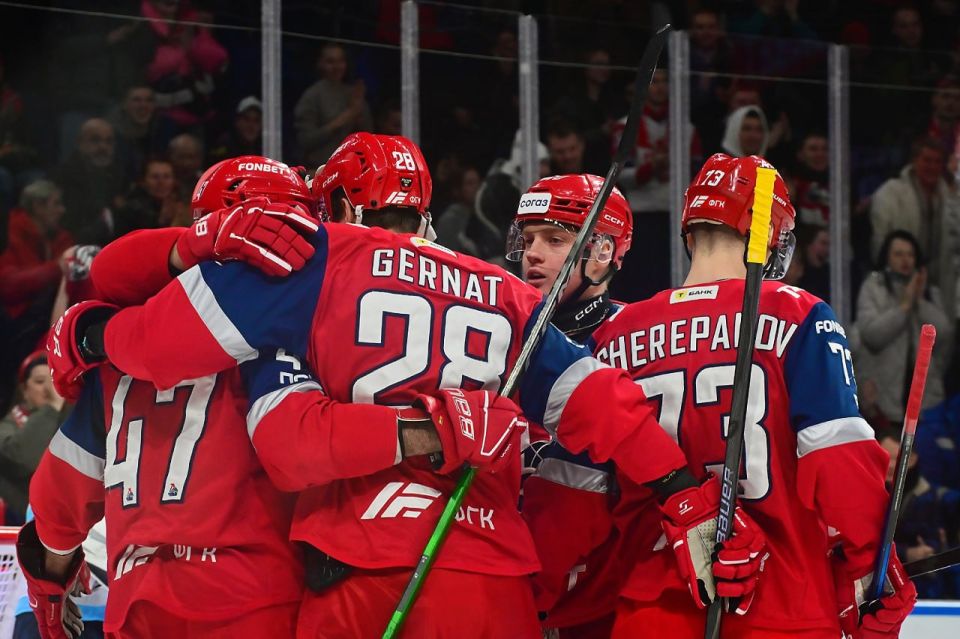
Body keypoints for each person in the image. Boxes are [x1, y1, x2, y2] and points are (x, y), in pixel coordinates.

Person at [49, 134, 763, 638]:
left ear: (337, 209)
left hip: (359, 574)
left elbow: (170, 357)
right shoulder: (504, 290)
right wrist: (684, 494)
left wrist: (88, 337)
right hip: (496, 578)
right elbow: (603, 403)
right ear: (424, 213)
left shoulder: (313, 260)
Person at [588, 153, 916, 638]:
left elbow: (586, 497)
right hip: (780, 604)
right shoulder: (798, 314)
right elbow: (839, 462)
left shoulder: (614, 333)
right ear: (768, 236)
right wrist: (874, 563)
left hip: (649, 608)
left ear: (689, 234)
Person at [16, 157, 342, 638]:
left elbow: (60, 492)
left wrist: (48, 584)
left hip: (138, 598)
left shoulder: (125, 343)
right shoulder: (296, 334)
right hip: (252, 593)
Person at [508, 174, 634, 637]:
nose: (533, 254)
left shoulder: (637, 337)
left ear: (602, 252)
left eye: (555, 240)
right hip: (509, 588)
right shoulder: (498, 330)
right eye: (528, 240)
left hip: (599, 604)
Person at [854, 230, 953, 425]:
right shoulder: (874, 287)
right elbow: (872, 335)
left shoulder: (930, 292)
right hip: (884, 402)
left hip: (926, 403)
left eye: (910, 254)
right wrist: (904, 307)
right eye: (898, 254)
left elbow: (945, 334)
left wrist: (919, 301)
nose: (905, 260)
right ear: (887, 257)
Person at [870, 137, 958, 319]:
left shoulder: (950, 196)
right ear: (914, 161)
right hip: (898, 280)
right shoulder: (890, 193)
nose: (932, 166)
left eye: (937, 162)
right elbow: (880, 242)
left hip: (939, 283)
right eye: (927, 160)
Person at [0, 353, 62, 525]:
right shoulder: (8, 427)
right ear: (24, 390)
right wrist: (52, 407)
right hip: (20, 521)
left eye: (54, 380)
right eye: (40, 382)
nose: (49, 389)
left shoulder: (76, 419)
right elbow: (22, 460)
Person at [294, 42, 373, 167]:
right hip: (319, 169)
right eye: (330, 62)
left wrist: (360, 110)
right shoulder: (312, 96)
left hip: (352, 168)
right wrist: (346, 116)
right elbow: (305, 140)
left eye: (340, 61)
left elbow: (369, 137)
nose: (337, 67)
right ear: (320, 64)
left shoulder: (353, 94)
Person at [52, 119, 125, 246]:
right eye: (95, 140)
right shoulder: (63, 177)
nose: (103, 147)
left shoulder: (119, 175)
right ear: (80, 142)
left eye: (109, 141)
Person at [113, 159, 190, 238]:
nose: (161, 182)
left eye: (166, 177)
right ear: (143, 181)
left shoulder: (184, 208)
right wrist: (160, 223)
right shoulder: (130, 212)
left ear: (174, 180)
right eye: (155, 177)